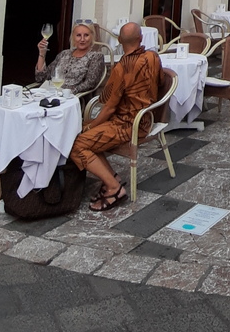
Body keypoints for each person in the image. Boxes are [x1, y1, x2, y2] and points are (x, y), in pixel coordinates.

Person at [69, 22, 162, 211]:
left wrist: (92, 124)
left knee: (77, 145)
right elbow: (161, 81)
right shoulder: (153, 56)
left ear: (119, 41)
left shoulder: (121, 68)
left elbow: (109, 107)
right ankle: (112, 177)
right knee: (86, 134)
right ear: (141, 38)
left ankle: (114, 188)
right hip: (146, 118)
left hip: (128, 123)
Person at [35, 20, 105, 95]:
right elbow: (41, 78)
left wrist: (68, 92)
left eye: (86, 35)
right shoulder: (64, 54)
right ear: (73, 37)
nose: (82, 39)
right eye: (78, 35)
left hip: (72, 98)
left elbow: (90, 83)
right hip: (51, 93)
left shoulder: (96, 57)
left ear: (92, 37)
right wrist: (42, 54)